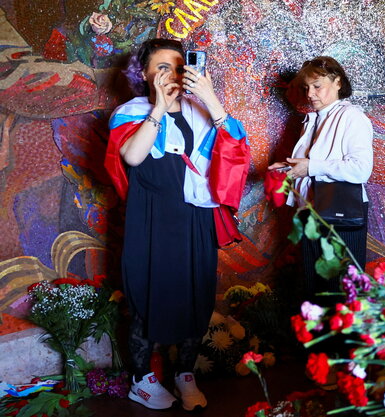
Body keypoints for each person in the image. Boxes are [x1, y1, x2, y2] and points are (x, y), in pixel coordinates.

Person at [105, 39, 249, 411]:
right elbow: (134, 156)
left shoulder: (201, 113)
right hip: (151, 216)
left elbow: (236, 149)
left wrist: (211, 97)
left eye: (178, 66)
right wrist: (159, 108)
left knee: (196, 295)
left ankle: (186, 373)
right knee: (148, 294)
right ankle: (141, 379)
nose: (171, 74)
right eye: (162, 67)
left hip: (194, 215)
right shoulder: (130, 111)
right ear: (144, 74)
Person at [268, 56, 373, 303]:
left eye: (317, 86)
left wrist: (311, 167)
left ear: (337, 82)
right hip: (312, 212)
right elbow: (315, 163)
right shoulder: (313, 120)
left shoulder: (351, 117)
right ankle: (320, 342)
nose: (310, 93)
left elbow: (361, 170)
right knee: (314, 289)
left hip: (340, 215)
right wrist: (289, 167)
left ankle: (342, 342)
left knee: (341, 292)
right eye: (306, 88)